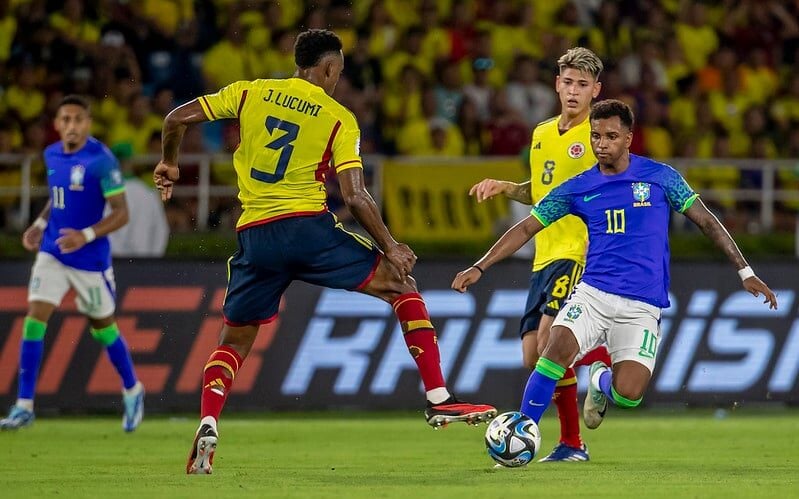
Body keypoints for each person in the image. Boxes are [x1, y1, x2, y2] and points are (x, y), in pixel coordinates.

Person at [153, 29, 497, 475]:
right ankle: (438, 400)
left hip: (255, 236)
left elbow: (175, 119)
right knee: (400, 286)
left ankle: (208, 423)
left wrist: (170, 162)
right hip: (307, 229)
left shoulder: (251, 92)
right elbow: (355, 196)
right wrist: (390, 245)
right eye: (339, 71)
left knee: (234, 340)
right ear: (330, 68)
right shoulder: (339, 117)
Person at [453, 99, 778, 448]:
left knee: (629, 394)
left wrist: (745, 272)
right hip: (593, 294)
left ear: (628, 138)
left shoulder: (661, 177)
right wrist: (480, 265)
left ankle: (600, 381)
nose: (601, 144)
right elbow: (526, 228)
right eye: (595, 136)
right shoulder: (578, 186)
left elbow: (708, 222)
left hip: (643, 306)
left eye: (610, 136)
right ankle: (522, 431)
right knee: (553, 350)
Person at [468, 47, 610, 462]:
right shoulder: (543, 132)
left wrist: (598, 238)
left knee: (550, 342)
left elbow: (611, 192)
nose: (573, 91)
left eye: (582, 85)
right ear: (556, 84)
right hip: (543, 254)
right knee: (534, 356)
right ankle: (572, 442)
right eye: (567, 82)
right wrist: (505, 187)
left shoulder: (598, 137)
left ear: (595, 91)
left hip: (578, 250)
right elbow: (540, 192)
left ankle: (601, 369)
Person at [0, 95, 144, 432]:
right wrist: (38, 225)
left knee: (103, 327)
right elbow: (58, 196)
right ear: (57, 124)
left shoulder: (102, 161)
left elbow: (122, 214)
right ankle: (24, 406)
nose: (72, 126)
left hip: (89, 260)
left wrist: (86, 235)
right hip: (52, 251)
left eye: (79, 119)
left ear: (88, 123)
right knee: (34, 319)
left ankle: (133, 389)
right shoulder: (51, 154)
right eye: (66, 119)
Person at [107, 144, 169, 257]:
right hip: (143, 263)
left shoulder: (106, 193)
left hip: (115, 262)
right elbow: (161, 231)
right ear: (131, 162)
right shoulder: (148, 193)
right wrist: (154, 259)